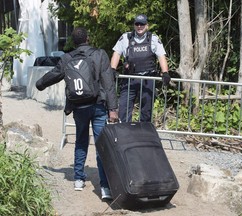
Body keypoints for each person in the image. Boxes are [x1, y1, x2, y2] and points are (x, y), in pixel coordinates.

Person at [35, 27, 118, 199]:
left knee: (80, 141)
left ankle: (79, 179)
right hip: (98, 106)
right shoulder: (99, 54)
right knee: (101, 145)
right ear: (88, 38)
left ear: (74, 41)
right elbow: (108, 83)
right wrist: (113, 109)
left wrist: (40, 84)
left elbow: (55, 74)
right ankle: (105, 188)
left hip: (79, 107)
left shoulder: (67, 58)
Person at [111, 14, 171, 122]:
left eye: (142, 24)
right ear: (134, 25)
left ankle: (143, 134)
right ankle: (125, 133)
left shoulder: (153, 38)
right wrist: (112, 69)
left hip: (148, 79)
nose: (139, 26)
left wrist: (165, 72)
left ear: (147, 25)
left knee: (146, 110)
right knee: (124, 108)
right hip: (130, 79)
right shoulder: (126, 37)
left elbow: (161, 56)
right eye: (137, 24)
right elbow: (117, 53)